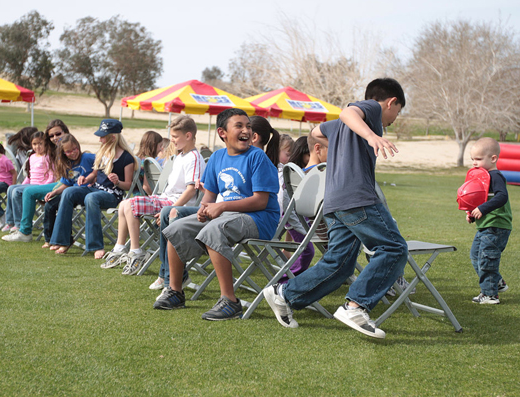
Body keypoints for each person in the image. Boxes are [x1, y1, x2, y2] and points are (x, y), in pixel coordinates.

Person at [263, 78, 408, 338]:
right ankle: (355, 306)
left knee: (339, 264)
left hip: (334, 201)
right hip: (357, 197)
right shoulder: (373, 110)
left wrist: (343, 146)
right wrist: (371, 135)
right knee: (394, 247)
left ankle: (284, 294)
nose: (392, 120)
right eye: (396, 113)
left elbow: (316, 133)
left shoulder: (341, 127)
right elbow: (347, 111)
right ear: (391, 102)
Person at [153, 108, 280, 321]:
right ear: (222, 133)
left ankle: (230, 301)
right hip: (227, 216)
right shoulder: (218, 157)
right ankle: (175, 291)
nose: (246, 131)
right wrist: (204, 210)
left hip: (260, 218)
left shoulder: (257, 157)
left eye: (248, 126)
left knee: (214, 229)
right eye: (239, 126)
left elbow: (261, 201)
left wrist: (220, 208)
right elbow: (208, 197)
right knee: (174, 228)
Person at [102, 116, 206, 275]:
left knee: (130, 205)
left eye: (175, 137)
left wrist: (172, 208)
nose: (172, 141)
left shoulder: (194, 158)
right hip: (166, 200)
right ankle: (120, 247)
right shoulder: (181, 156)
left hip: (175, 204)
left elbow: (191, 189)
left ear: (188, 135)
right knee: (124, 203)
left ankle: (136, 252)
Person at [50, 119, 137, 259]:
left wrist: (118, 182)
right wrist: (86, 179)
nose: (100, 140)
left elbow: (128, 185)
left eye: (102, 137)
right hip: (95, 189)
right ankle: (63, 240)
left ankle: (96, 245)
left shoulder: (127, 158)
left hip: (112, 195)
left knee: (91, 198)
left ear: (112, 137)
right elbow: (95, 173)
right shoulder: (102, 153)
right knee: (68, 192)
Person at [1, 120, 71, 240]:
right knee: (15, 188)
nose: (55, 137)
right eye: (51, 136)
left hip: (65, 184)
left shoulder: (68, 147)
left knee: (28, 192)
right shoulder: (54, 150)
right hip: (60, 182)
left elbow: (61, 174)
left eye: (58, 134)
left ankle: (24, 231)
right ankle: (16, 226)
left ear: (65, 132)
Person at [277, 130, 329, 284]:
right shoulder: (314, 175)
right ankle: (286, 281)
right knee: (309, 250)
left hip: (301, 221)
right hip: (311, 225)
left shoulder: (293, 173)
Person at [466, 137, 512, 304]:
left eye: (478, 159)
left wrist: (483, 209)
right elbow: (480, 199)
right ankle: (496, 282)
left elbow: (501, 197)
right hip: (485, 225)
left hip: (496, 225)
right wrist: (471, 212)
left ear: (493, 158)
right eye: (472, 159)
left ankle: (490, 295)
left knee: (487, 258)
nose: (474, 163)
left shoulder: (495, 176)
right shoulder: (482, 177)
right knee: (475, 256)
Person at [40, 135, 95, 248]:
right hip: (70, 193)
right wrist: (55, 192)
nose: (73, 153)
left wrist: (92, 179)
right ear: (63, 153)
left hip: (87, 192)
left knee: (67, 196)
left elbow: (101, 167)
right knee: (49, 205)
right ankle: (50, 239)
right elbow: (67, 184)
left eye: (75, 149)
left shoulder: (88, 157)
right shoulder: (67, 165)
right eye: (69, 151)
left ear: (78, 146)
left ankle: (64, 240)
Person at [1, 131, 55, 238]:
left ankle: (18, 224)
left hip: (40, 186)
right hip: (31, 184)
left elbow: (52, 175)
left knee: (16, 191)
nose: (37, 146)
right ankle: (10, 221)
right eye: (34, 144)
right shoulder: (32, 157)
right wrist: (21, 184)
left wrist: (45, 187)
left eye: (40, 143)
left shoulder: (48, 157)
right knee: (11, 188)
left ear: (45, 144)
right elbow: (29, 176)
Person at [136, 130, 164, 195]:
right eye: (160, 146)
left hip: (136, 195)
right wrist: (157, 198)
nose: (161, 149)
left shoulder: (137, 159)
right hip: (145, 197)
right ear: (154, 145)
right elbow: (146, 187)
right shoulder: (148, 162)